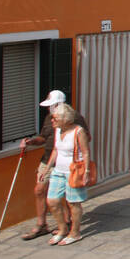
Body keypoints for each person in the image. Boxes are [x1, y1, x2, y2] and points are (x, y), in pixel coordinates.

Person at [18, 90, 87, 241]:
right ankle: (42, 225)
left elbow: (86, 139)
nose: (49, 109)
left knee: (67, 197)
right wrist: (30, 142)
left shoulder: (76, 119)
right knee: (40, 190)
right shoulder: (50, 119)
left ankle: (68, 224)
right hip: (48, 159)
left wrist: (82, 164)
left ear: (58, 104)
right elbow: (43, 138)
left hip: (69, 164)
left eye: (51, 105)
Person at [45, 102, 90, 246]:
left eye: (55, 118)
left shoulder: (78, 131)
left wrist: (86, 171)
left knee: (73, 203)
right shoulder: (58, 131)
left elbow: (85, 152)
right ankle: (62, 229)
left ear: (65, 119)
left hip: (73, 172)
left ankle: (75, 233)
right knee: (52, 201)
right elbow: (55, 150)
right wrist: (47, 169)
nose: (52, 120)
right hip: (58, 171)